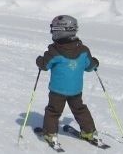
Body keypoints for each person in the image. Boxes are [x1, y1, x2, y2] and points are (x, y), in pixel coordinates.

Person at [35, 15, 101, 147]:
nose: (52, 32)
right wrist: (95, 63)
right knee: (80, 109)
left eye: (54, 29)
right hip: (75, 90)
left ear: (60, 31)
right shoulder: (83, 50)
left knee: (53, 111)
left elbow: (44, 65)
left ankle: (50, 134)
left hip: (57, 91)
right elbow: (89, 66)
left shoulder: (54, 51)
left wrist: (39, 60)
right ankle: (89, 132)